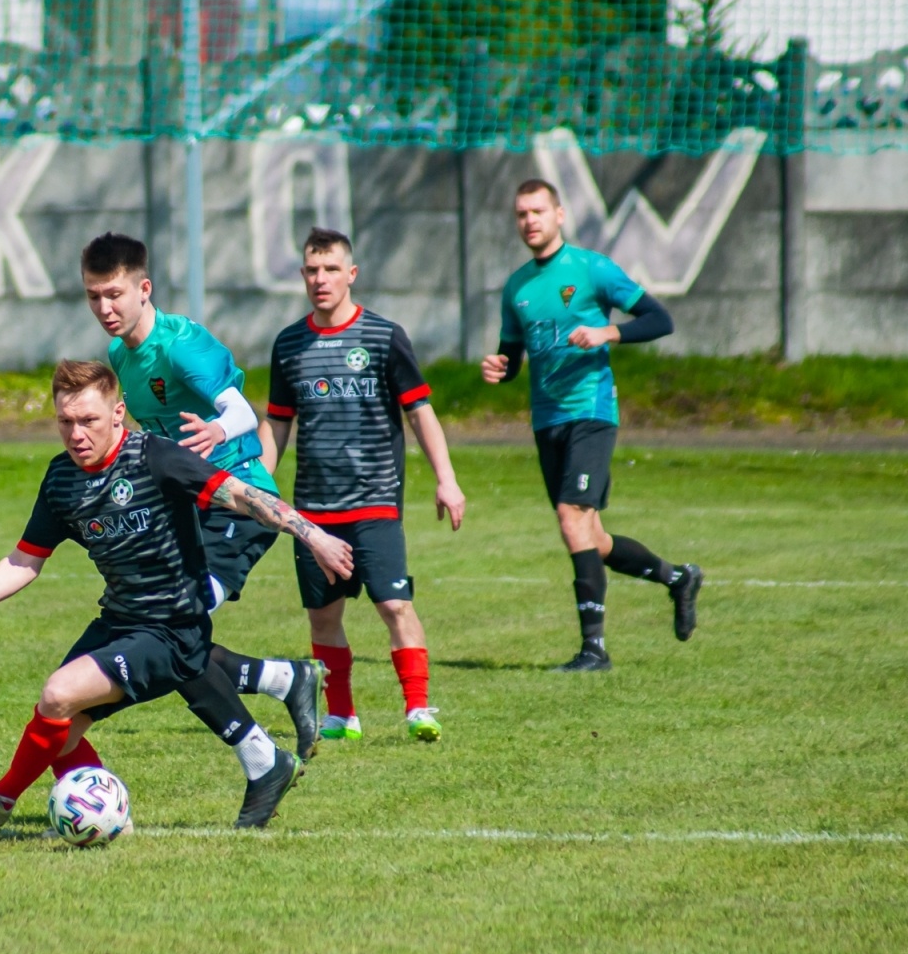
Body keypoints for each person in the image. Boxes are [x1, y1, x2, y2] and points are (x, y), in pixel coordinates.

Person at [0, 361, 355, 832]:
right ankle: (107, 812)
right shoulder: (62, 480)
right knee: (58, 733)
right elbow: (25, 560)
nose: (76, 434)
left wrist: (313, 535)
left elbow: (243, 497)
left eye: (88, 421)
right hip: (119, 620)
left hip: (172, 628)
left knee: (58, 694)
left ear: (118, 413)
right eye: (65, 422)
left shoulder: (154, 457)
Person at [79, 232, 322, 761]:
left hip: (241, 504)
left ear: (144, 288)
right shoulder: (120, 356)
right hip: (190, 509)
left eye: (115, 294)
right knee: (167, 629)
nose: (105, 307)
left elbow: (238, 410)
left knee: (170, 628)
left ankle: (264, 748)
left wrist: (217, 431)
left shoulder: (181, 344)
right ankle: (283, 680)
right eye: (94, 296)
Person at [482, 179, 704, 672]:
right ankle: (677, 579)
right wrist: (501, 367)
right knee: (592, 536)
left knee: (569, 516)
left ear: (559, 214)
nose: (529, 221)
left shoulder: (590, 268)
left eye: (538, 211)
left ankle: (593, 650)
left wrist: (610, 331)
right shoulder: (517, 286)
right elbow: (513, 353)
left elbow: (659, 318)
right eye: (521, 214)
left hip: (591, 411)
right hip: (547, 418)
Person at [262, 227, 466, 742]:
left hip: (374, 501)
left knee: (394, 605)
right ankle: (341, 716)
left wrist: (447, 480)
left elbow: (420, 412)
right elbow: (278, 424)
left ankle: (418, 708)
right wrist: (257, 485)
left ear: (351, 274)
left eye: (331, 269)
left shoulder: (383, 336)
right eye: (311, 270)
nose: (320, 279)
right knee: (322, 617)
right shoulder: (289, 344)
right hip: (313, 509)